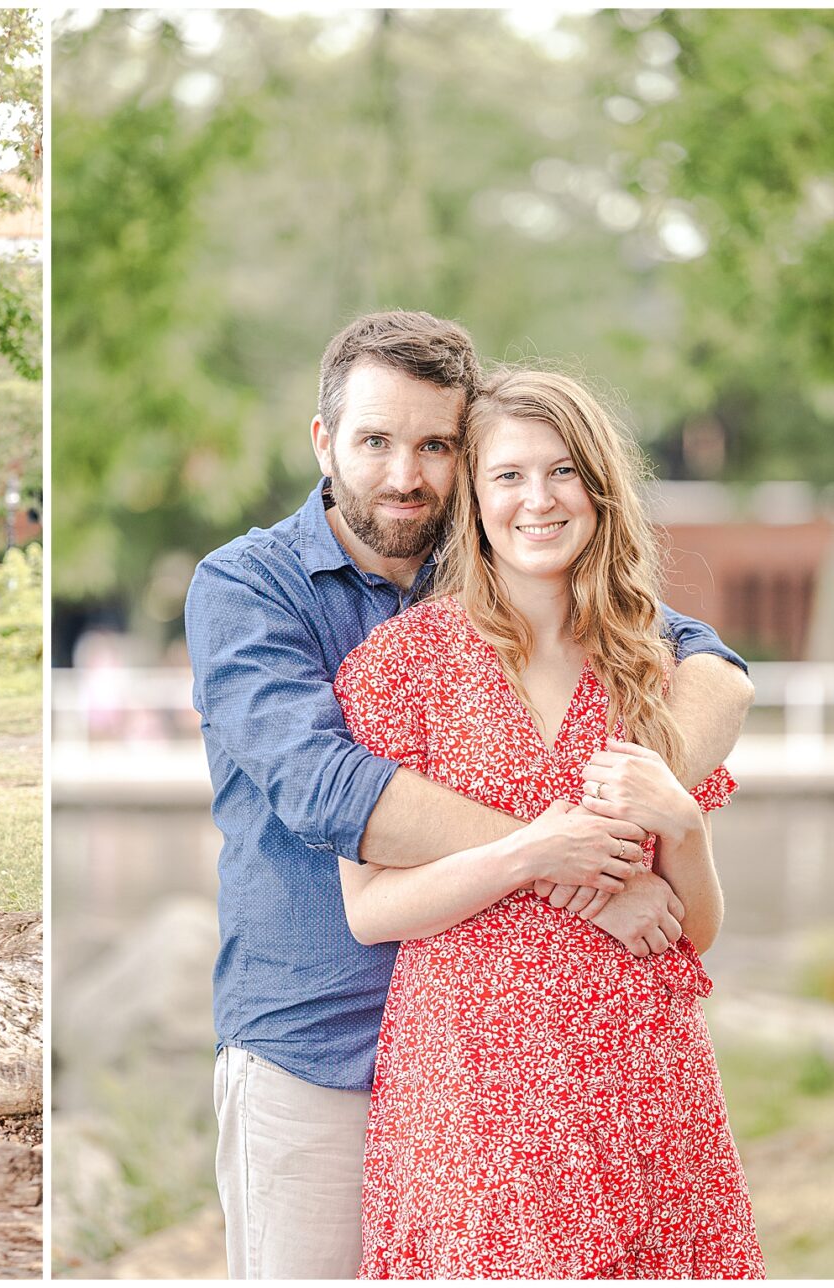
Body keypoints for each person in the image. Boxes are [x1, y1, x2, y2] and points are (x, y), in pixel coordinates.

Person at [183, 311, 755, 1279]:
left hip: (554, 1061)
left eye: (435, 445)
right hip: (317, 1035)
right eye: (374, 440)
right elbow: (330, 790)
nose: (403, 473)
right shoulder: (250, 586)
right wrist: (577, 864)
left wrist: (658, 811)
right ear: (324, 440)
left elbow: (713, 664)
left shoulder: (510, 566)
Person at [335, 366, 763, 1276]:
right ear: (474, 500)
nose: (540, 499)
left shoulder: (654, 665)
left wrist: (679, 824)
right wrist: (536, 853)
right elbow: (370, 911)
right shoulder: (401, 666)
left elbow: (699, 930)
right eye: (510, 476)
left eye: (564, 471)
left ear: (599, 490)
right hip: (470, 1089)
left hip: (641, 1076)